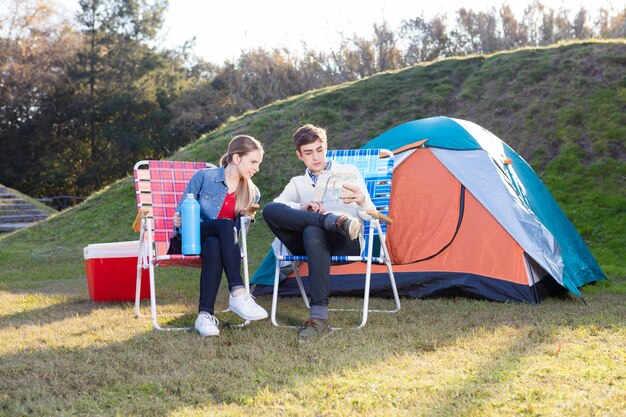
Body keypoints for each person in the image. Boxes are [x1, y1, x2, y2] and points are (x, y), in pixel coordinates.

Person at [262, 124, 375, 339]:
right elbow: (278, 207)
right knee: (271, 210)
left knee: (312, 230)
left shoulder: (349, 172)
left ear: (326, 148)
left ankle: (318, 318)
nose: (316, 157)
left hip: (345, 239)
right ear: (299, 156)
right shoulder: (298, 183)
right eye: (308, 152)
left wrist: (362, 200)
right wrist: (302, 207)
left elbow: (370, 215)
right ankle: (329, 220)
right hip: (309, 244)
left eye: (319, 150)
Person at [173, 135, 268, 337]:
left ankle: (204, 316)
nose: (257, 169)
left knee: (214, 244)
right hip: (191, 237)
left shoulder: (253, 193)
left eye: (259, 164)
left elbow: (238, 233)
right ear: (236, 157)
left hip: (217, 243)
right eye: (253, 162)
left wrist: (245, 219)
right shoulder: (204, 177)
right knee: (224, 225)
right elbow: (182, 213)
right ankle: (238, 292)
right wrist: (179, 220)